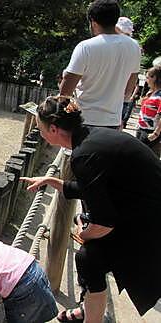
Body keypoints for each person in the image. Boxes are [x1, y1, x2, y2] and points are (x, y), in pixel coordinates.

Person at [20, 96, 161, 322]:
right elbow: (94, 187)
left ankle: (91, 317)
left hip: (148, 222)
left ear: (54, 129)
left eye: (40, 128)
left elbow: (104, 223)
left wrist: (81, 234)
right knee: (90, 253)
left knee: (89, 258)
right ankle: (89, 310)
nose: (40, 133)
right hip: (140, 208)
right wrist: (51, 181)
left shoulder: (83, 155)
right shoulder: (90, 137)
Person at [59, 0, 141, 128]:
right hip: (113, 121)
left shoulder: (86, 47)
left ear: (93, 21)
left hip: (84, 120)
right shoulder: (134, 47)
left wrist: (64, 108)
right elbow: (130, 86)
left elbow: (66, 88)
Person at [115, 17, 140, 128]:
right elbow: (133, 77)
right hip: (122, 97)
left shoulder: (112, 43)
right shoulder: (135, 47)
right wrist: (126, 98)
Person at [136, 66, 161, 157]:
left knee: (148, 159)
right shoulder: (151, 93)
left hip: (150, 133)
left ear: (154, 78)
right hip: (141, 130)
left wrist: (156, 133)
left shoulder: (159, 95)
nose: (146, 80)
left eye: (147, 77)